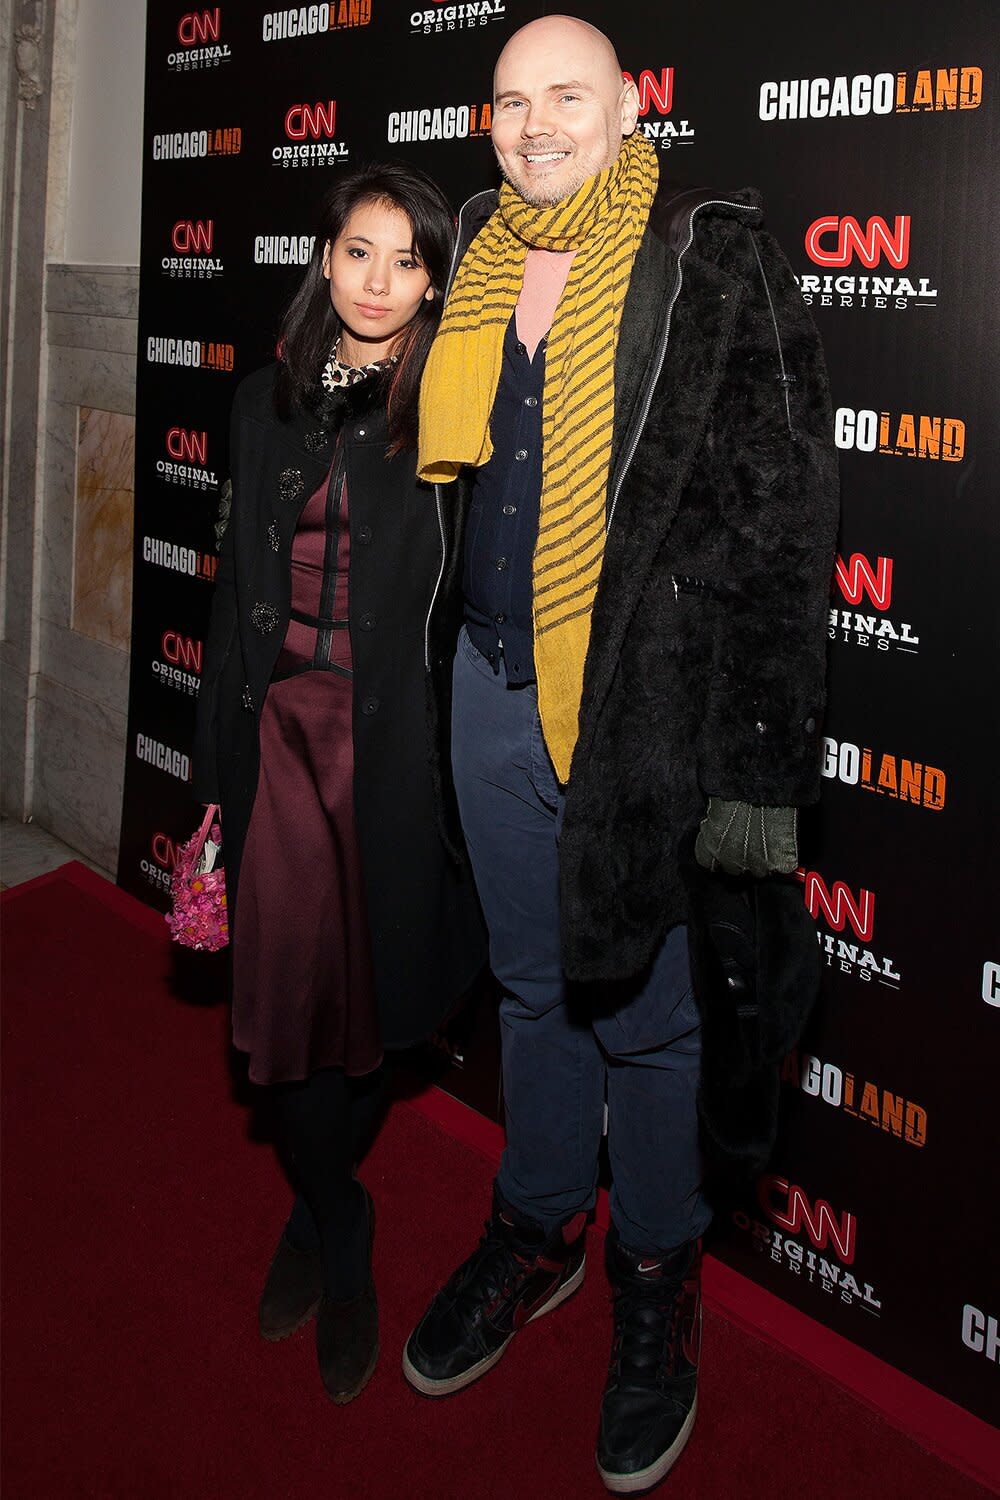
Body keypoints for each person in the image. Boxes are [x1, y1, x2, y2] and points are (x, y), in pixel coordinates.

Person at [403, 15, 838, 1493]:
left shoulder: (709, 256)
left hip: (640, 725)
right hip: (483, 687)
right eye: (512, 101)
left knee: (651, 1021)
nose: (534, 126)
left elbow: (785, 546)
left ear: (628, 104)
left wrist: (754, 796)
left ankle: (655, 1278)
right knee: (531, 990)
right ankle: (538, 1221)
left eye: (565, 97)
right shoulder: (472, 250)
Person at [191, 162, 484, 1405]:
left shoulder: (450, 418)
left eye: (404, 261)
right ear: (324, 260)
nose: (376, 282)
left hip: (395, 755)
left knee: (367, 1023)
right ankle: (339, 1217)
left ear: (432, 282)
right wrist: (212, 783)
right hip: (278, 747)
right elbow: (226, 607)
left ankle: (318, 1218)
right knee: (286, 1031)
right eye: (356, 253)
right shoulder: (262, 405)